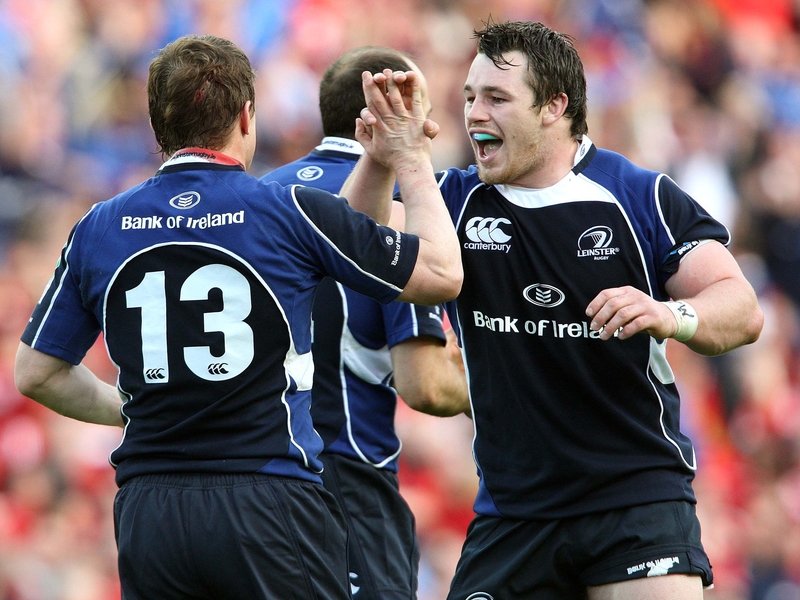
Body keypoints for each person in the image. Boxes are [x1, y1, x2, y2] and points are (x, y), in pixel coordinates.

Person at [13, 34, 461, 600]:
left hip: (151, 512)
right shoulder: (286, 209)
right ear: (247, 117)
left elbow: (36, 372)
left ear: (158, 127)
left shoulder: (100, 225)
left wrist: (130, 409)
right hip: (269, 499)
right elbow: (442, 272)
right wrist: (412, 159)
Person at [346, 20, 764, 600]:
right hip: (513, 514)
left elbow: (741, 308)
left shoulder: (638, 194)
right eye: (469, 97)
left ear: (554, 106)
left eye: (496, 97)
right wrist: (381, 157)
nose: (474, 114)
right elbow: (355, 241)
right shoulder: (455, 199)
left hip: (635, 503)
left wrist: (671, 315)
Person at [261, 45, 470, 600]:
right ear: (391, 112)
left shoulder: (259, 198)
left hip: (255, 486)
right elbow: (424, 383)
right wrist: (512, 385)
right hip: (347, 478)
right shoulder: (403, 207)